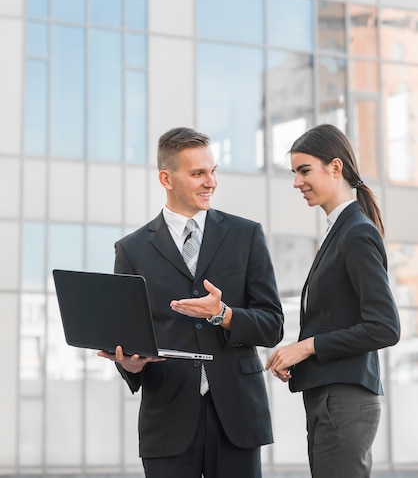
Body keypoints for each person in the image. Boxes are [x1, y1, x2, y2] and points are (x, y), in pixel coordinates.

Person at [98, 127, 284, 478]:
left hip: (238, 415)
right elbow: (128, 336)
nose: (210, 182)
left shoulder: (247, 236)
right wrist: (130, 366)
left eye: (212, 171)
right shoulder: (132, 250)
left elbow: (272, 324)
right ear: (166, 178)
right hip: (167, 417)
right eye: (198, 173)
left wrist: (224, 314)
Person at [266, 123, 400, 478]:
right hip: (332, 398)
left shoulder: (356, 232)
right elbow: (338, 319)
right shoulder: (340, 231)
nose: (297, 182)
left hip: (344, 400)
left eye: (304, 170)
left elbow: (385, 328)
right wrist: (300, 354)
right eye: (295, 172)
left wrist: (306, 347)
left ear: (335, 167)